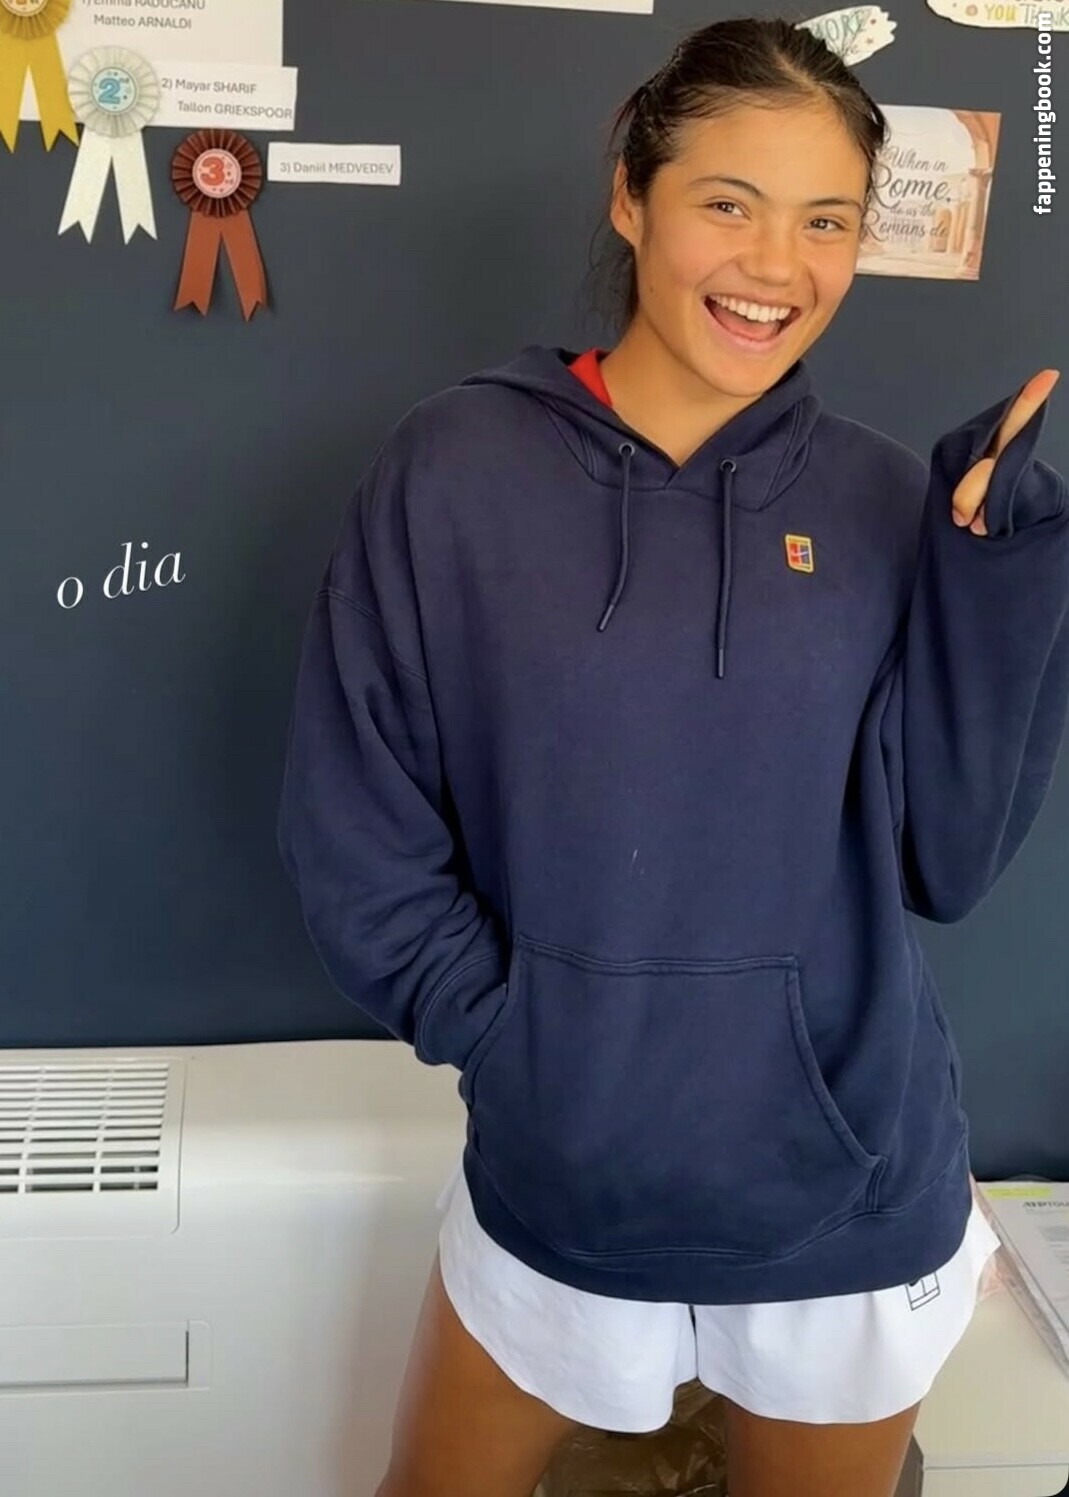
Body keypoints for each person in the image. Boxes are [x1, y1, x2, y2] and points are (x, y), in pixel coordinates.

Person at [276, 15, 1068, 1497]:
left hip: (845, 1193)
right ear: (630, 195)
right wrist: (522, 1042)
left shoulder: (882, 502)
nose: (776, 265)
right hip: (559, 1174)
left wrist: (995, 591)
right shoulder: (453, 470)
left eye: (825, 220)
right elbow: (357, 829)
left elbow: (945, 865)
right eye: (728, 202)